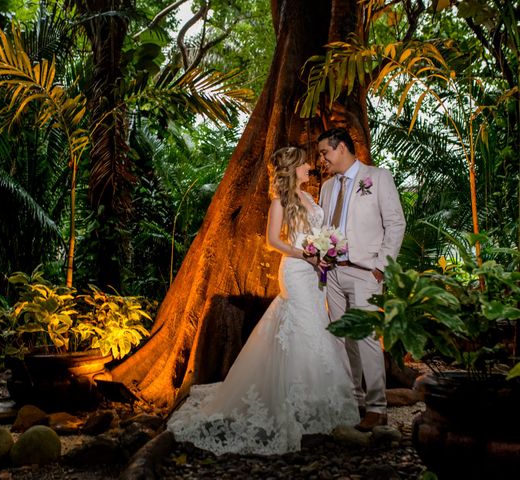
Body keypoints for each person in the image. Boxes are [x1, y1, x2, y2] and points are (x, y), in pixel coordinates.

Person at [167, 146, 359, 456]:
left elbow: (319, 231)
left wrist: (326, 250)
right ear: (293, 168)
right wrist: (306, 255)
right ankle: (288, 404)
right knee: (301, 327)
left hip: (315, 273)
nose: (310, 166)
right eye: (304, 163)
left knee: (318, 328)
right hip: (297, 271)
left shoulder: (310, 197)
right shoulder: (279, 201)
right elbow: (273, 241)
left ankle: (316, 403)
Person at [317, 128, 406, 431]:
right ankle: (352, 401)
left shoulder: (378, 177)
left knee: (367, 339)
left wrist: (381, 266)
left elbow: (396, 223)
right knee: (342, 339)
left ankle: (377, 407)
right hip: (334, 272)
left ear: (341, 148)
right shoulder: (327, 187)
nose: (322, 159)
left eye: (324, 153)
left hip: (366, 272)